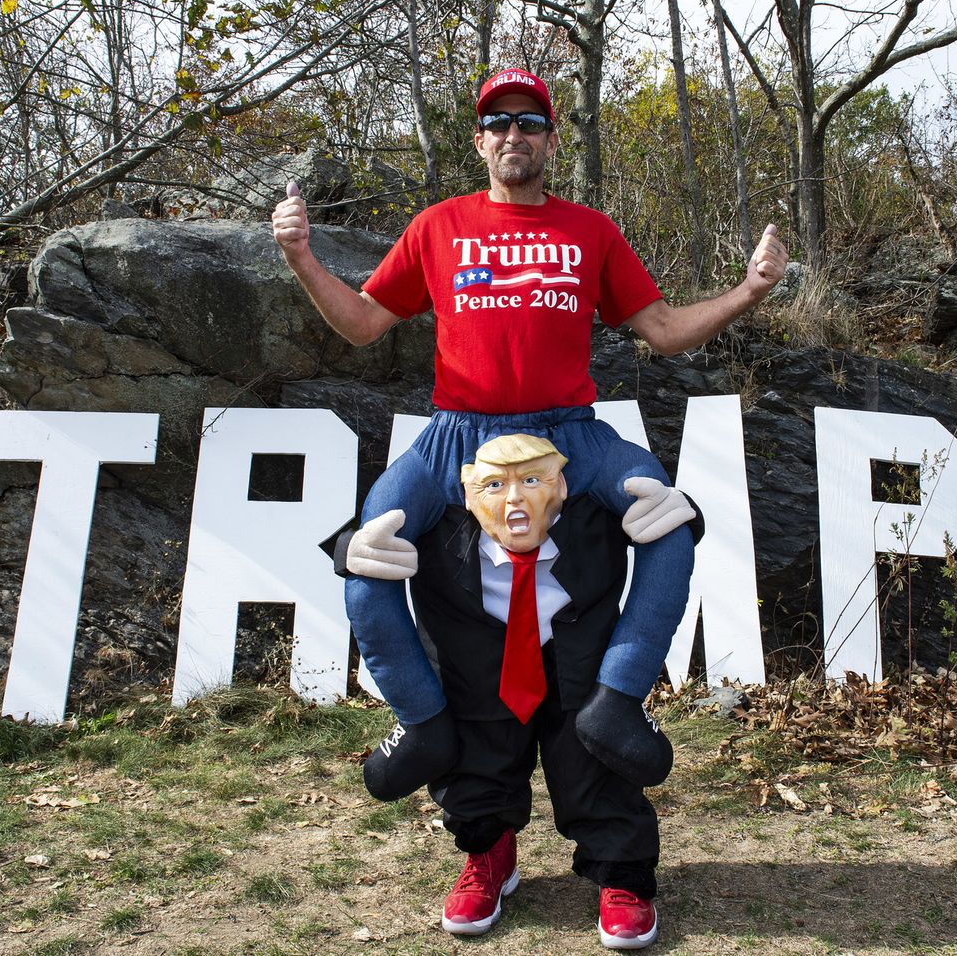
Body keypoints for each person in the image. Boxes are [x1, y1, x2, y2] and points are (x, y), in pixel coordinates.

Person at [271, 66, 785, 788]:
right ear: (480, 142)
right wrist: (300, 256)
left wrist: (749, 291)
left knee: (672, 522)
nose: (515, 135)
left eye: (531, 122)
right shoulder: (437, 227)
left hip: (570, 434)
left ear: (551, 139)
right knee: (361, 555)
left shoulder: (590, 231)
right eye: (500, 123)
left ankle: (619, 700)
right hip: (456, 436)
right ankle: (421, 724)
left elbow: (665, 332)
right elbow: (361, 324)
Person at [400, 433, 672, 947]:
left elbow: (664, 519)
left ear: (562, 484)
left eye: (532, 481)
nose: (514, 500)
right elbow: (368, 526)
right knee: (479, 755)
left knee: (593, 760)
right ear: (465, 489)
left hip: (577, 654)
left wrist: (686, 514)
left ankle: (621, 874)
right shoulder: (436, 499)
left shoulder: (594, 502)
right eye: (495, 484)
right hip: (480, 660)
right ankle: (489, 852)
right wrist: (352, 548)